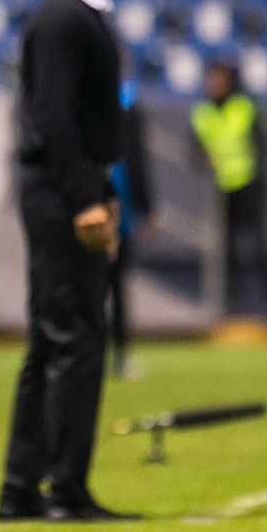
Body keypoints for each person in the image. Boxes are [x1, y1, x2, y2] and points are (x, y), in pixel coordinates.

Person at [0, 0, 138, 523]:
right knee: (74, 340)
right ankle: (64, 490)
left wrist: (100, 191)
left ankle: (23, 490)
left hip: (66, 189)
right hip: (60, 194)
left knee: (53, 341)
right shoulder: (63, 20)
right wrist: (85, 199)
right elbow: (52, 118)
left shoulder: (79, 17)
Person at [190, 62, 267, 320]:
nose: (213, 84)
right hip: (221, 189)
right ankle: (235, 303)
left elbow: (261, 145)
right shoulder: (202, 112)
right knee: (227, 250)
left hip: (249, 185)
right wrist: (201, 158)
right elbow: (195, 148)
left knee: (258, 245)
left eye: (218, 79)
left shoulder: (245, 106)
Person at [106, 77, 154, 380]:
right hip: (114, 203)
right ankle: (119, 356)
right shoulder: (128, 101)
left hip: (88, 202)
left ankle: (92, 355)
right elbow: (136, 158)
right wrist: (145, 207)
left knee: (94, 287)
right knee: (115, 287)